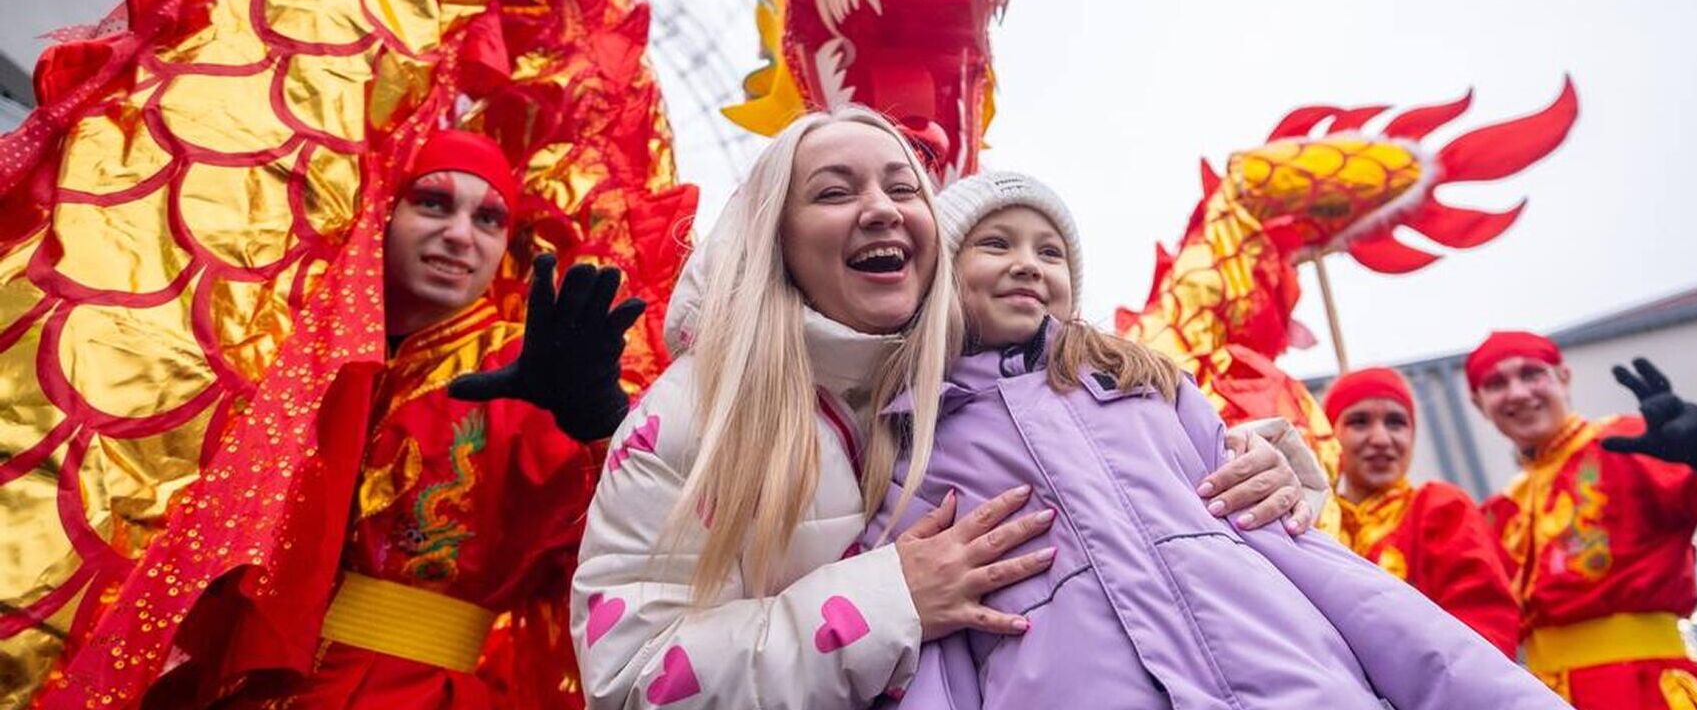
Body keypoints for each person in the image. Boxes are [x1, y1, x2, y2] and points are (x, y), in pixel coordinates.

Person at [569, 108, 1307, 709]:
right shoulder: (696, 415)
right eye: (833, 193)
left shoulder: (1002, 386)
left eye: (904, 189)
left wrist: (1265, 479)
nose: (881, 211)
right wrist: (888, 602)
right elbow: (632, 676)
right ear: (774, 240)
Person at [863, 172, 1563, 709]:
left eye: (1050, 251)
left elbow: (1309, 561)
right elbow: (938, 656)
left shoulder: (1150, 392)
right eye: (995, 243)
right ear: (939, 276)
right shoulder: (917, 442)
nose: (1028, 263)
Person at [53, 130, 642, 709]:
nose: (460, 235)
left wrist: (605, 423)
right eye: (433, 203)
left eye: (488, 219)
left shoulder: (532, 373)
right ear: (382, 212)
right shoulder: (278, 338)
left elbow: (647, 532)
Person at [1469, 330, 1697, 709]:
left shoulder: (1633, 442)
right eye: (1496, 384)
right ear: (1479, 404)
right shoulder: (1496, 511)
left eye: (1531, 374)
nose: (1516, 392)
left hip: (1643, 692)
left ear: (1563, 378)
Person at [1323, 367, 1520, 656]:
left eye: (1396, 422)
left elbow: (1485, 630)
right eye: (1359, 422)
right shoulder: (1316, 524)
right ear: (1330, 436)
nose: (1380, 439)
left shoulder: (1441, 508)